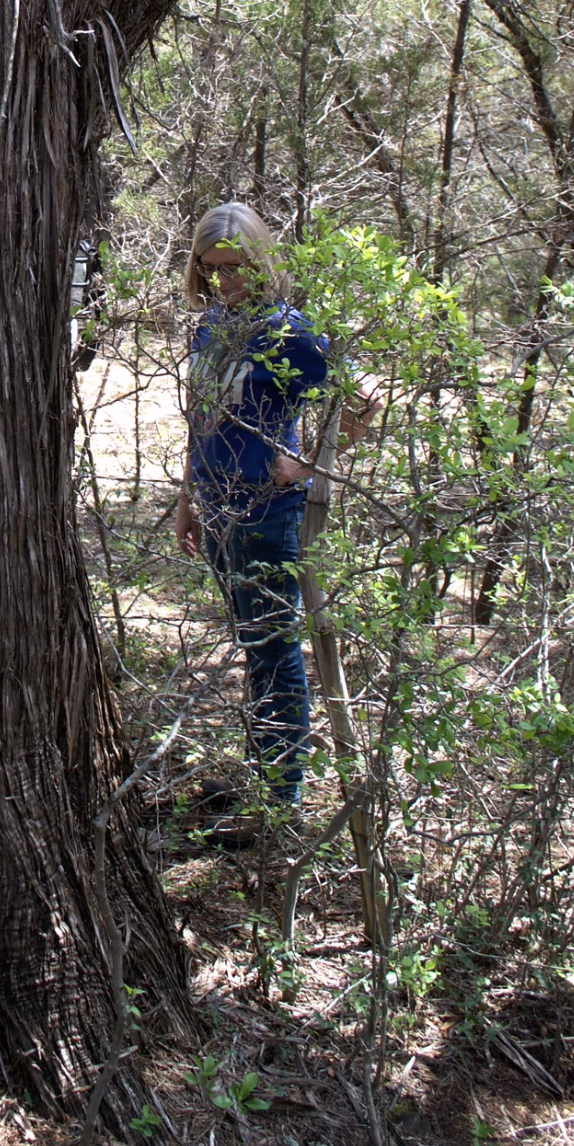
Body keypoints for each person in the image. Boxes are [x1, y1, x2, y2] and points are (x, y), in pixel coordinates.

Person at [173, 201, 330, 843]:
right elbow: (200, 419)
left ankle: (280, 800)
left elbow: (357, 399)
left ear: (261, 260)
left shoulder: (288, 331)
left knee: (274, 649)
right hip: (216, 505)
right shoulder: (211, 326)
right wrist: (187, 500)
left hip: (267, 512)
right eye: (213, 270)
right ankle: (261, 777)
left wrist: (305, 463)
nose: (226, 281)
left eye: (236, 268)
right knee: (252, 645)